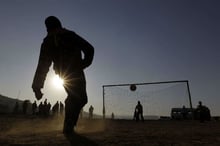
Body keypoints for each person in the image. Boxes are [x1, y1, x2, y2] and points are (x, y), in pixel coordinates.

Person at [32, 16, 94, 135]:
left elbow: (42, 66)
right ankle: (69, 124)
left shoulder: (50, 41)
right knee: (79, 98)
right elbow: (90, 49)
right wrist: (82, 64)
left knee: (78, 98)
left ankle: (69, 122)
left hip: (65, 74)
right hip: (72, 73)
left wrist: (37, 86)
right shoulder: (64, 37)